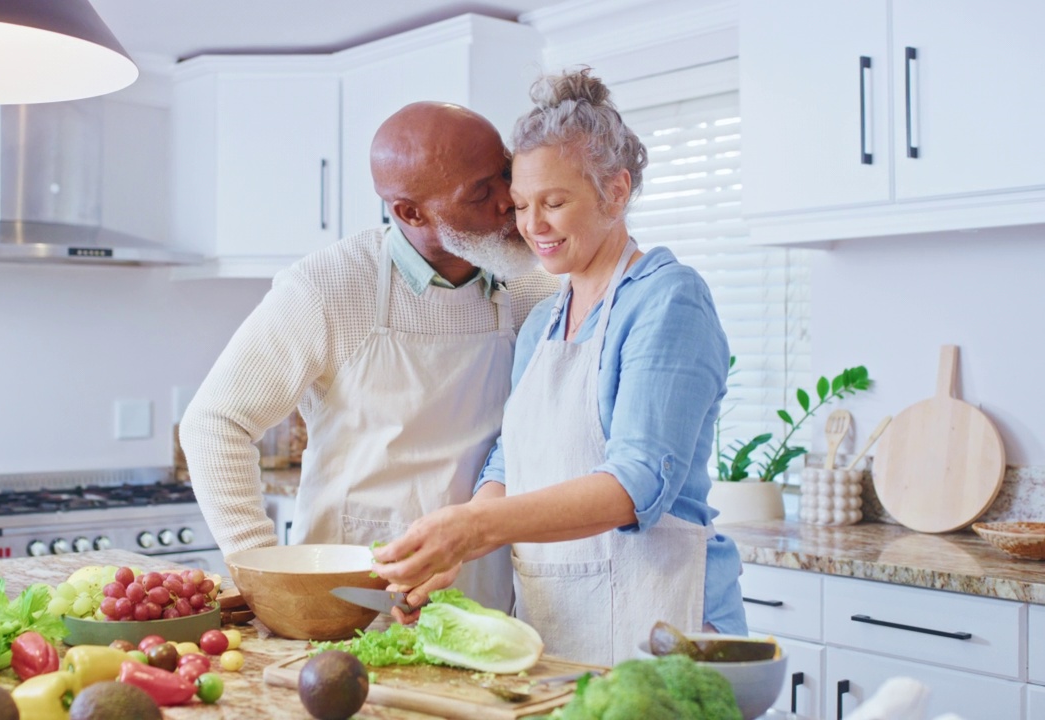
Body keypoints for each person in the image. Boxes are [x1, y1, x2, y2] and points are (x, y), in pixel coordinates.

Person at [370, 70, 747, 665]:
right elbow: (508, 461)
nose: (532, 226)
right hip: (560, 629)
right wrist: (452, 547)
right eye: (521, 205)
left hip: (665, 630)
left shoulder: (669, 300)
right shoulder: (546, 317)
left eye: (555, 203)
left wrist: (474, 531)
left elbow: (637, 483)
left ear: (616, 192)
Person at [180, 102, 558, 613]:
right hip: (351, 591)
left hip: (485, 586)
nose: (508, 204)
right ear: (410, 212)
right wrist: (261, 569)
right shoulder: (328, 286)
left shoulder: (535, 289)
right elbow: (214, 421)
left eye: (505, 176)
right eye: (481, 192)